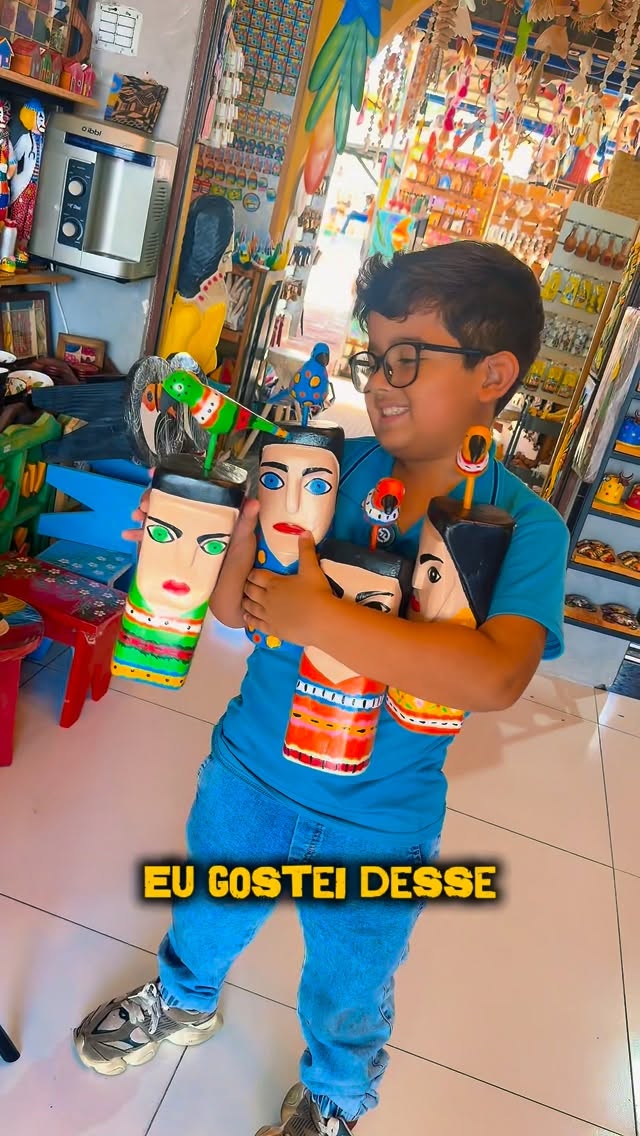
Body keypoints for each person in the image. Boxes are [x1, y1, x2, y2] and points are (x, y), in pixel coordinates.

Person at [73, 242, 569, 1136]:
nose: (381, 384)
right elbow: (240, 610)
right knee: (208, 908)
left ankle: (337, 1093)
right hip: (252, 769)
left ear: (493, 374)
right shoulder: (324, 471)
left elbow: (496, 673)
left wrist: (321, 616)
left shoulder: (527, 528)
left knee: (351, 978)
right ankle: (183, 997)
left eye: (407, 359)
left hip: (382, 815)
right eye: (376, 357)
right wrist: (199, 532)